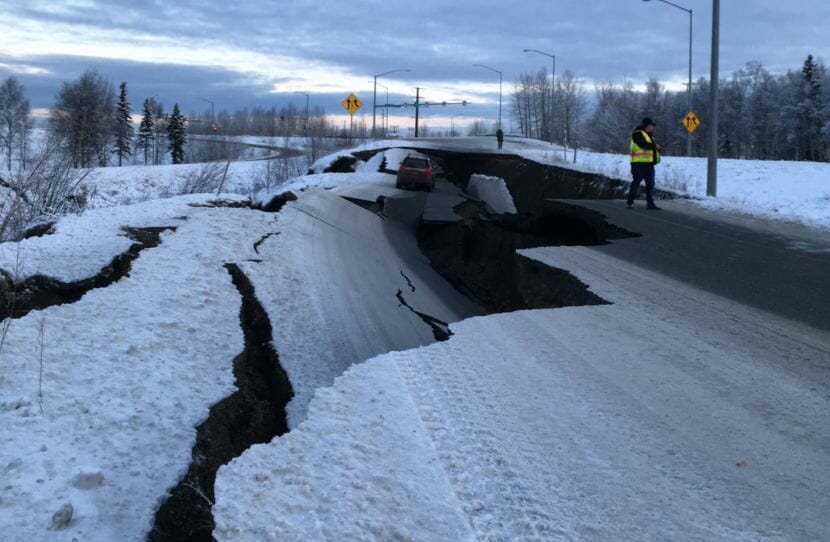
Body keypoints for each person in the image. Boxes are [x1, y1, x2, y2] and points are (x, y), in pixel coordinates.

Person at [627, 117, 662, 210]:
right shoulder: (637, 133)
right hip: (638, 163)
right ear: (647, 125)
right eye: (651, 125)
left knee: (650, 184)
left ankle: (650, 204)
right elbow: (643, 145)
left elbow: (652, 148)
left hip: (649, 164)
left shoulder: (649, 135)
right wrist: (655, 146)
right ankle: (630, 202)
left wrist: (658, 149)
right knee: (636, 183)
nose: (653, 127)